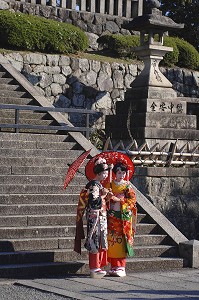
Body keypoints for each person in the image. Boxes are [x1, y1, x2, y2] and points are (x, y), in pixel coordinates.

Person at [74, 157, 112, 279]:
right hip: (95, 217)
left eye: (107, 173)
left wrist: (107, 196)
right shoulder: (93, 185)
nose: (106, 176)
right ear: (99, 173)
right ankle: (94, 267)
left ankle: (98, 266)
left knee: (101, 241)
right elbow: (94, 202)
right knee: (95, 241)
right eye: (104, 173)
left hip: (101, 216)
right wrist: (104, 195)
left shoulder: (98, 185)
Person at [104, 162, 137, 277]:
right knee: (112, 241)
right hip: (112, 217)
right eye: (119, 172)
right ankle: (113, 266)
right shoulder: (110, 185)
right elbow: (105, 198)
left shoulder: (127, 186)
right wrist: (109, 196)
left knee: (121, 241)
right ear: (114, 173)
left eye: (123, 172)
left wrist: (121, 200)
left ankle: (121, 267)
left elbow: (132, 200)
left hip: (123, 218)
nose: (121, 175)